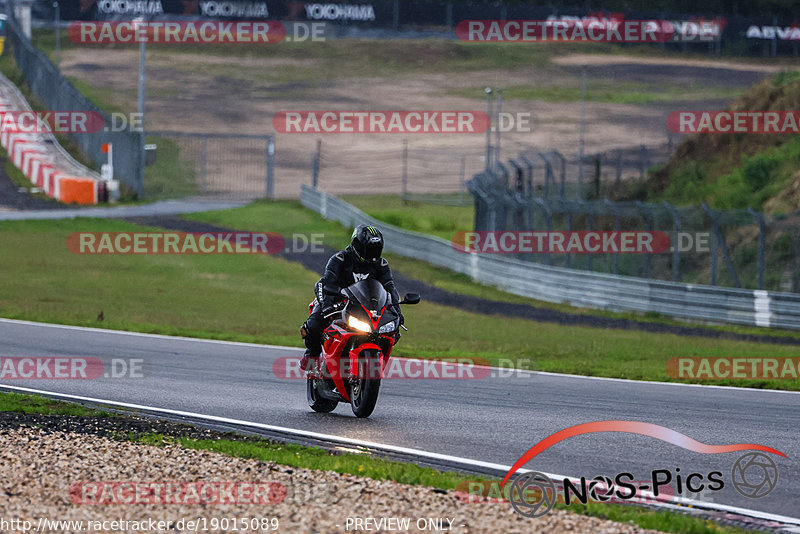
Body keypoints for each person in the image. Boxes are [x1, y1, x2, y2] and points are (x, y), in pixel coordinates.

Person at [300, 225, 402, 371]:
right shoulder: (340, 259)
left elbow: (390, 288)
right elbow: (325, 282)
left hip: (366, 306)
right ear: (357, 245)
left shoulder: (381, 264)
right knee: (313, 324)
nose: (371, 254)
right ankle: (312, 354)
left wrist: (397, 311)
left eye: (375, 249)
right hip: (336, 300)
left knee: (393, 332)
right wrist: (326, 305)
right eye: (368, 249)